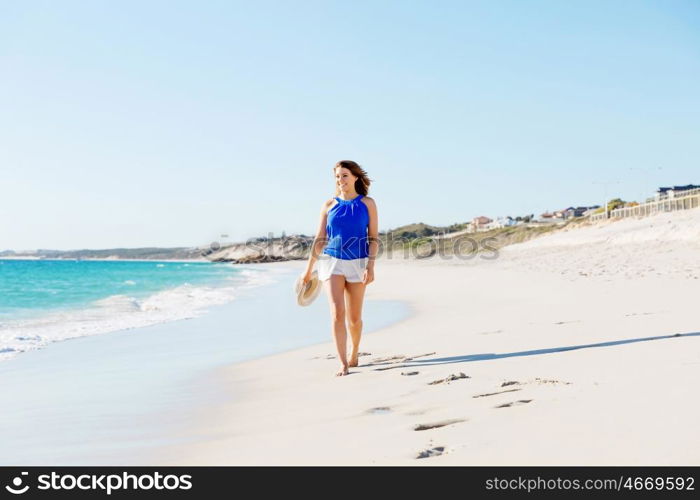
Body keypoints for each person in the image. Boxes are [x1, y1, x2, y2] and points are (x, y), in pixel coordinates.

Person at [301, 160, 378, 376]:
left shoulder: (368, 203)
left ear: (355, 177)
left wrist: (370, 267)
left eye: (344, 175)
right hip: (331, 262)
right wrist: (308, 270)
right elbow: (319, 239)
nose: (340, 180)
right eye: (337, 176)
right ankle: (343, 362)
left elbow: (373, 237)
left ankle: (355, 351)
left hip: (358, 262)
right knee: (337, 314)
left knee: (354, 319)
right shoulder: (329, 205)